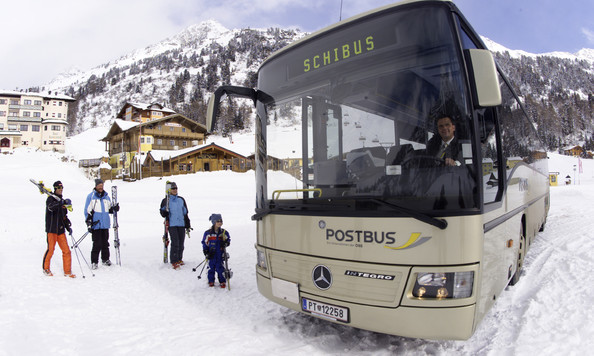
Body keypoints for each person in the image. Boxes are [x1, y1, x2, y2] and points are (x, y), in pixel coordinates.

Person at [84, 178, 119, 270]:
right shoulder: (91, 197)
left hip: (105, 224)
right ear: (95, 186)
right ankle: (94, 262)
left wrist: (114, 208)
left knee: (105, 243)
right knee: (97, 244)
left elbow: (109, 209)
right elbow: (87, 211)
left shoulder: (106, 197)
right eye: (99, 186)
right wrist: (89, 222)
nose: (101, 187)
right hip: (96, 224)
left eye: (102, 186)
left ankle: (105, 259)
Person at [43, 181, 76, 278]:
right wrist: (60, 203)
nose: (60, 190)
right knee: (51, 249)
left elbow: (64, 216)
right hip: (51, 229)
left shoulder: (63, 201)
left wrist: (67, 226)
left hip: (61, 230)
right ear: (55, 189)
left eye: (62, 189)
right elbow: (50, 208)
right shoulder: (50, 199)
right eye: (59, 188)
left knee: (66, 251)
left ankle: (67, 271)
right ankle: (46, 268)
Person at [159, 182, 191, 269]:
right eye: (173, 189)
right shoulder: (166, 200)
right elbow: (162, 213)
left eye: (176, 188)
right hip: (172, 224)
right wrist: (164, 212)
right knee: (175, 242)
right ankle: (174, 260)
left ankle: (179, 258)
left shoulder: (181, 199)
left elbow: (185, 212)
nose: (175, 190)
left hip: (181, 224)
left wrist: (187, 223)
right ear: (169, 190)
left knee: (181, 243)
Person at [202, 214, 231, 288]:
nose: (219, 223)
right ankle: (211, 280)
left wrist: (226, 243)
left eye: (221, 221)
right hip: (212, 253)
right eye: (218, 221)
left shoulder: (223, 232)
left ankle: (222, 281)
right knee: (211, 267)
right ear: (214, 222)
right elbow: (204, 242)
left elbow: (228, 239)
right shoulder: (208, 233)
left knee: (220, 267)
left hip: (220, 253)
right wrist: (206, 251)